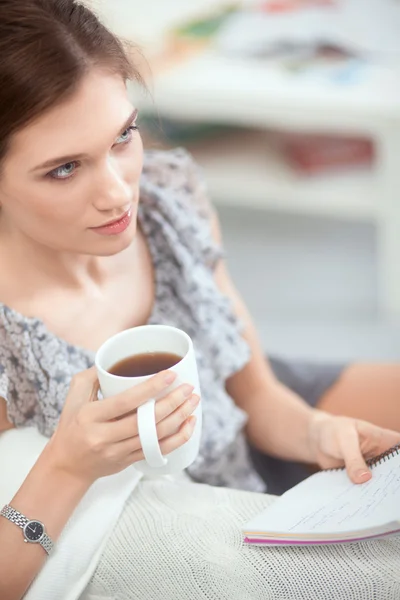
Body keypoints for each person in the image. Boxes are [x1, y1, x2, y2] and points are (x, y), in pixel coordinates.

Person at [0, 1, 399, 599]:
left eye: (123, 136)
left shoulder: (169, 199)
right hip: (191, 519)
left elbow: (255, 392)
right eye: (63, 169)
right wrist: (69, 463)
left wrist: (317, 433)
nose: (117, 193)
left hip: (250, 446)